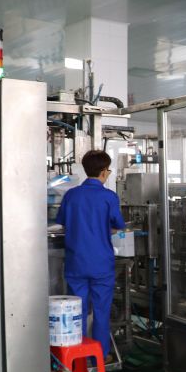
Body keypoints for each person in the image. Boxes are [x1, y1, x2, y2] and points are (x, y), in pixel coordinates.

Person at [56, 150, 125, 360]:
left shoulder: (71, 195)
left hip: (76, 262)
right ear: (104, 171)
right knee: (101, 311)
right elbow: (118, 226)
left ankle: (77, 357)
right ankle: (99, 356)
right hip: (101, 263)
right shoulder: (109, 197)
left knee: (77, 312)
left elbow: (63, 224)